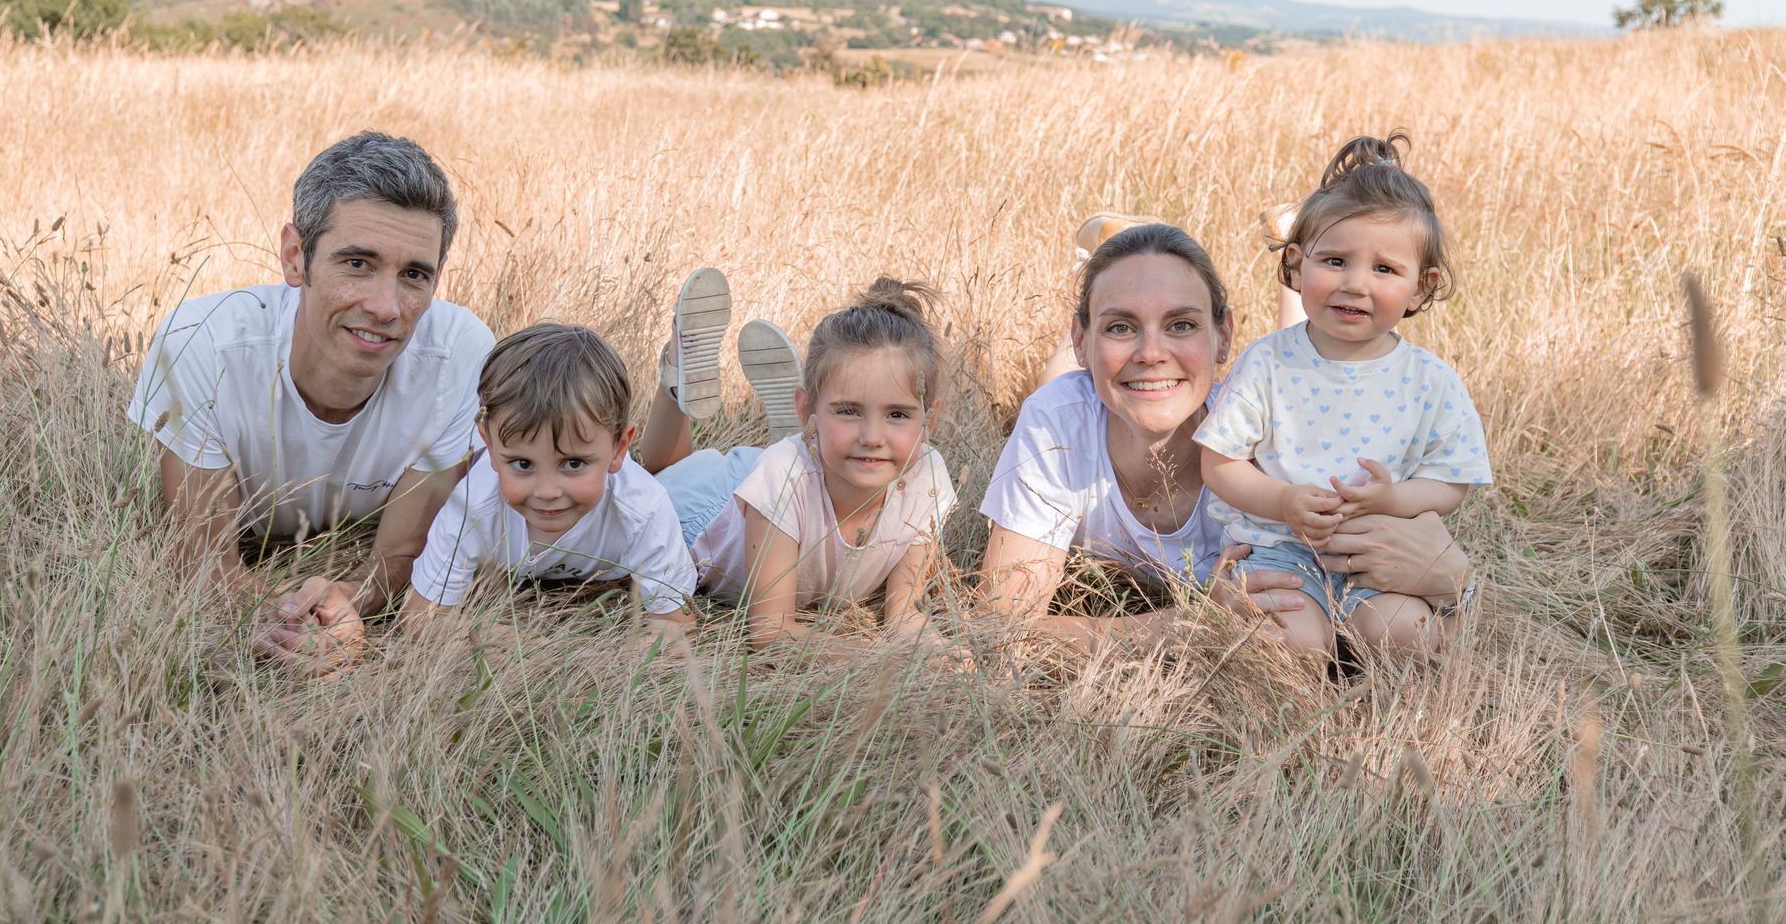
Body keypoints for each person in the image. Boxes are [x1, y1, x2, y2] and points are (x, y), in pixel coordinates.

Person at [978, 216, 1474, 655]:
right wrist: (1190, 625)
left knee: (1291, 363)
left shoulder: (1268, 438)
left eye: (1182, 323)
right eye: (1120, 326)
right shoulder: (1056, 423)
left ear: (1225, 336)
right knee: (1063, 382)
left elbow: (1424, 563)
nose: (1151, 351)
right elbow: (1000, 626)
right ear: (1081, 338)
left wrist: (1456, 582)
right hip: (1078, 390)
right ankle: (1122, 247)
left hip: (1252, 386)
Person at [125, 131, 494, 661]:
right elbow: (203, 561)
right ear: (296, 257)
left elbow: (402, 552)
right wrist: (290, 618)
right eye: (357, 264)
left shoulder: (460, 351)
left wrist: (346, 604)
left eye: (414, 275)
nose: (387, 307)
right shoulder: (200, 340)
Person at [1196, 133, 1491, 654]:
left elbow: (1451, 480)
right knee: (1293, 643)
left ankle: (1392, 722)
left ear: (1421, 287)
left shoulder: (1429, 379)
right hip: (1279, 550)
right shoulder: (1267, 363)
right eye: (1334, 261)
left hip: (1380, 553)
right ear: (1295, 264)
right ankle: (1302, 701)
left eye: (1384, 269)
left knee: (1404, 631)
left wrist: (1393, 498)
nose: (1355, 283)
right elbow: (1219, 463)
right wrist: (1284, 500)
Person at [637, 269, 958, 649]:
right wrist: (876, 662)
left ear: (930, 419)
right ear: (805, 409)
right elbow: (771, 632)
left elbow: (904, 614)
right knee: (656, 478)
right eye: (849, 411)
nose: (873, 438)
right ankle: (677, 380)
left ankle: (805, 443)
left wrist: (936, 654)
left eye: (898, 415)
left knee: (786, 471)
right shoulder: (783, 476)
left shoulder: (927, 476)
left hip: (790, 477)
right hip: (705, 517)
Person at [403, 323, 696, 623]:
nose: (546, 491)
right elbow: (420, 616)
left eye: (572, 464)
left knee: (687, 491)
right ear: (490, 447)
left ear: (619, 449)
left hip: (660, 512)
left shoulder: (644, 511)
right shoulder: (472, 507)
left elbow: (675, 625)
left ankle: (675, 381)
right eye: (523, 464)